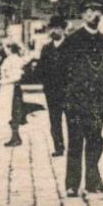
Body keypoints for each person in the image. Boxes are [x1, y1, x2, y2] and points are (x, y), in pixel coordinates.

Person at [59, 0, 103, 197]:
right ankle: (72, 185)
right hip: (76, 101)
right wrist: (67, 97)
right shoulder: (72, 40)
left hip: (98, 102)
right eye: (91, 10)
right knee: (75, 143)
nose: (95, 14)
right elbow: (61, 70)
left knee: (95, 142)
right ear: (83, 15)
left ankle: (93, 182)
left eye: (98, 10)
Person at [37, 16, 68, 156]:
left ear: (63, 29)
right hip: (52, 91)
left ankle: (74, 146)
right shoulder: (46, 48)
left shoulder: (72, 46)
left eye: (58, 28)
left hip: (69, 90)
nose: (54, 31)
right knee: (54, 120)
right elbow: (41, 68)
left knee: (72, 120)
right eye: (52, 28)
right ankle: (58, 146)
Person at [0, 41, 30, 147]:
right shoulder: (10, 59)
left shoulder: (15, 59)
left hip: (13, 89)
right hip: (8, 88)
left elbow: (17, 77)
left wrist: (3, 81)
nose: (4, 50)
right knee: (9, 112)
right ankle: (15, 136)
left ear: (10, 48)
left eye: (6, 48)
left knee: (14, 112)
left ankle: (15, 138)